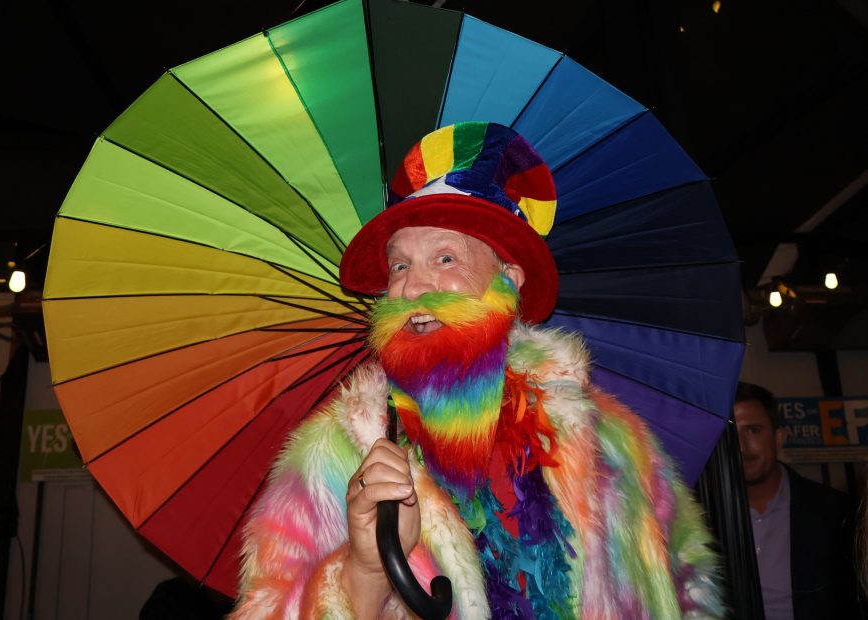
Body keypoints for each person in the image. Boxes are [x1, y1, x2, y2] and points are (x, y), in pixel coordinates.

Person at [230, 122, 723, 619]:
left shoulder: (609, 441)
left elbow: (689, 590)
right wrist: (366, 568)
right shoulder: (336, 453)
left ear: (507, 282)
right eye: (399, 266)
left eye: (445, 258)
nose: (413, 288)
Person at [734, 381, 860, 619]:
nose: (740, 447)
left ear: (779, 437)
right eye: (729, 434)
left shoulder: (835, 512)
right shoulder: (698, 516)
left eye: (753, 430)